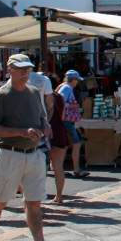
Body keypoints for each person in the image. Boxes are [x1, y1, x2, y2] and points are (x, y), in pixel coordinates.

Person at [0, 54, 65, 241]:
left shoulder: (32, 92)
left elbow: (41, 117)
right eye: (21, 69)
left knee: (34, 203)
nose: (25, 73)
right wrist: (20, 132)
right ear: (9, 69)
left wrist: (45, 127)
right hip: (9, 154)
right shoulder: (0, 95)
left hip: (34, 154)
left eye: (28, 69)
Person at [55, 70, 89, 177]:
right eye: (77, 80)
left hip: (64, 120)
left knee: (64, 145)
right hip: (66, 121)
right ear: (73, 80)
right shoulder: (67, 88)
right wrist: (72, 106)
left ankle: (57, 167)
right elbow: (60, 102)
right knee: (76, 143)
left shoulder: (64, 86)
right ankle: (76, 170)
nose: (77, 82)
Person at [47, 74, 69, 204]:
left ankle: (35, 197)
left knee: (39, 167)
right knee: (58, 167)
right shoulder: (59, 97)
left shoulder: (43, 97)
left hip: (47, 132)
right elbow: (64, 115)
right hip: (60, 131)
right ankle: (59, 196)